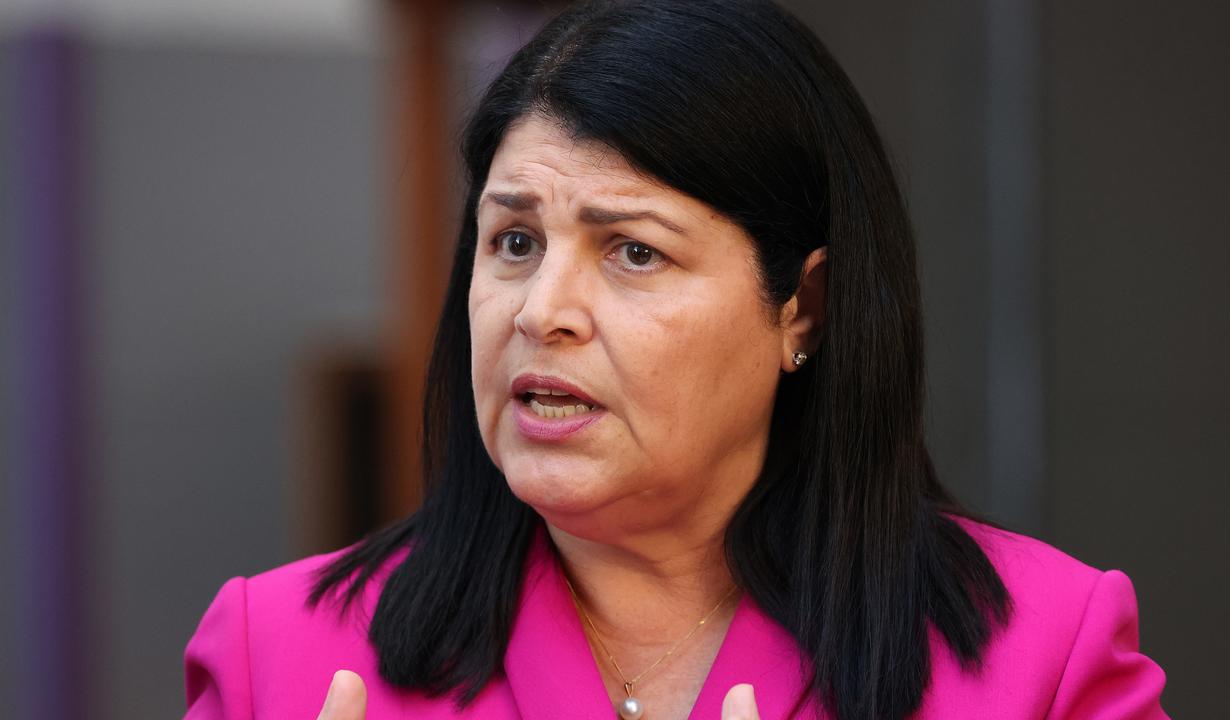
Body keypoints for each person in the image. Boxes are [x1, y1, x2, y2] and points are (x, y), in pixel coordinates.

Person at [183, 1, 1169, 718]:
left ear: (804, 308)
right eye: (513, 242)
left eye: (633, 251)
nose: (542, 312)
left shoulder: (1039, 654)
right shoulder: (281, 656)